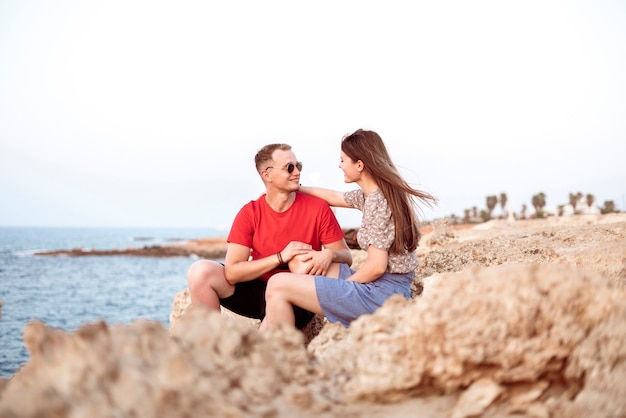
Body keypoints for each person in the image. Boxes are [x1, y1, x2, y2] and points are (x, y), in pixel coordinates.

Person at [259, 129, 437, 330]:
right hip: (384, 287)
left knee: (277, 283)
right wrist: (296, 187)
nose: (339, 165)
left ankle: (275, 351)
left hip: (382, 296)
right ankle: (266, 340)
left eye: (343, 160)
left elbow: (377, 267)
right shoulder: (371, 196)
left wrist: (345, 286)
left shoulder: (379, 203)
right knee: (303, 261)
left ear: (359, 165)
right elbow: (334, 197)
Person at [186, 143, 353, 329]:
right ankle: (210, 346)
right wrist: (280, 257)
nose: (297, 172)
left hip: (295, 295)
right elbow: (232, 273)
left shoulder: (317, 208)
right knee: (199, 271)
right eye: (289, 168)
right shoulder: (250, 212)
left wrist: (329, 254)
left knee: (260, 349)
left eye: (299, 166)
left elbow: (347, 257)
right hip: (256, 291)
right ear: (267, 175)